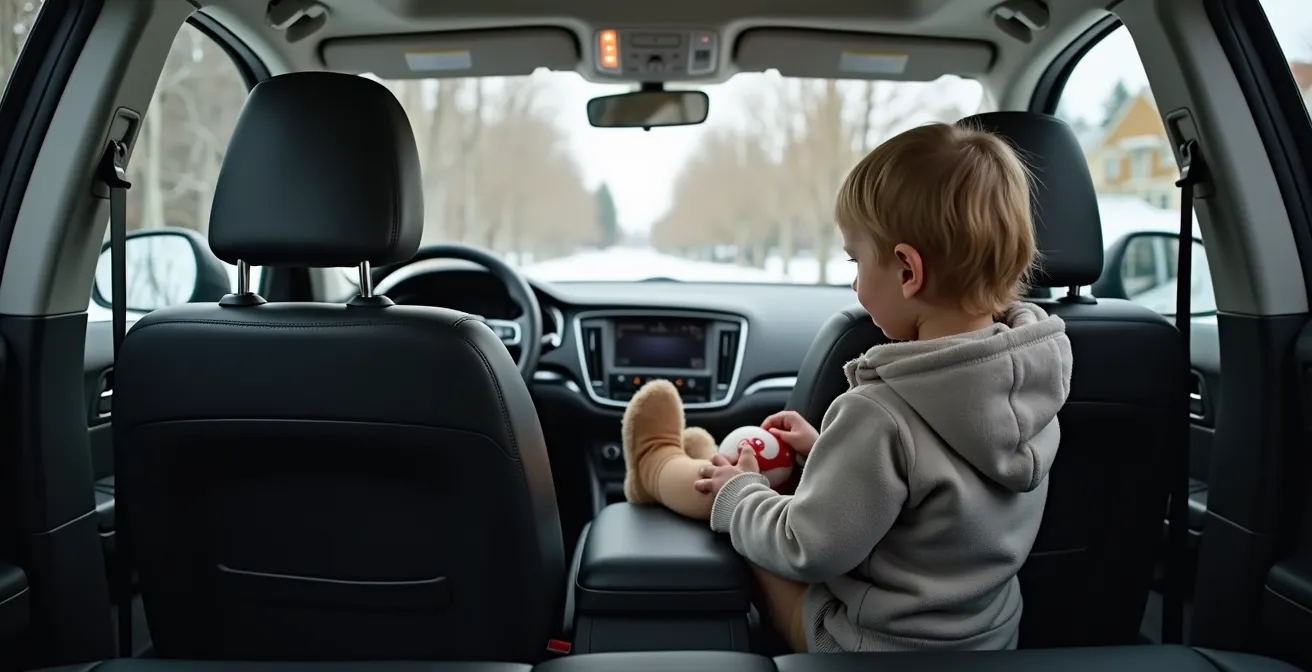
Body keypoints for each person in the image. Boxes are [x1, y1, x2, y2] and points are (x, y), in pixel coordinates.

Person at [620, 120, 1074, 654]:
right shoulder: (1030, 388)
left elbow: (806, 548)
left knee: (745, 524)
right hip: (987, 641)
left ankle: (655, 465)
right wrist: (825, 452)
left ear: (907, 270)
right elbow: (940, 502)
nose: (855, 281)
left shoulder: (880, 413)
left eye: (857, 260)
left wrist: (740, 495)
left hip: (869, 647)